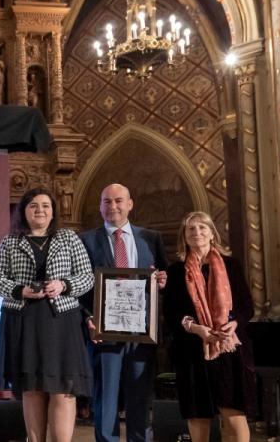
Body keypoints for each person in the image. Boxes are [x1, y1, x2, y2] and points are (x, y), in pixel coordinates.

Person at [0, 187, 94, 442]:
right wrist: (19, 290)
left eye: (45, 206)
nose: (40, 210)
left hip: (61, 321)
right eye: (33, 205)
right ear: (23, 211)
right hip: (24, 321)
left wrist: (64, 285)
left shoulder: (69, 238)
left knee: (62, 390)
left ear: (53, 211)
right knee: (32, 389)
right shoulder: (10, 241)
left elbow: (87, 277)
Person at [79, 184, 169, 442]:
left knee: (139, 396)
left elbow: (163, 277)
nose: (113, 206)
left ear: (130, 203)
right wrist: (89, 317)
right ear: (100, 206)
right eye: (106, 202)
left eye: (119, 201)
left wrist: (163, 281)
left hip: (142, 331)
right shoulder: (85, 240)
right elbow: (81, 287)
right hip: (103, 333)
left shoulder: (151, 238)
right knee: (105, 397)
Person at [163, 212, 256, 442]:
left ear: (212, 233)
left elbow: (247, 307)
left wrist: (234, 324)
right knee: (198, 415)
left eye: (202, 228)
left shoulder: (231, 266)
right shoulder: (176, 272)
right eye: (191, 229)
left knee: (234, 414)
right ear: (184, 236)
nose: (197, 233)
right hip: (192, 350)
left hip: (229, 349)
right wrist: (196, 328)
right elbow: (171, 313)